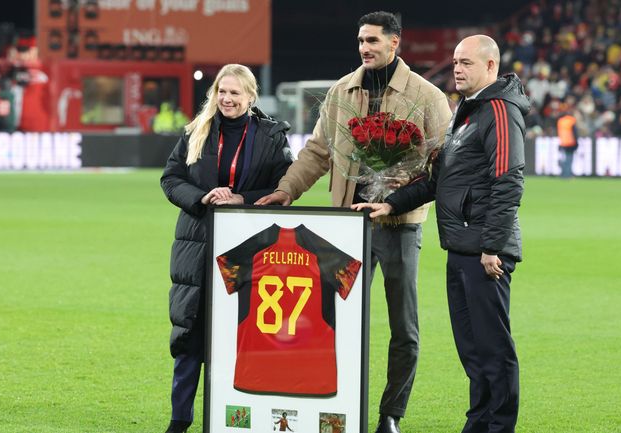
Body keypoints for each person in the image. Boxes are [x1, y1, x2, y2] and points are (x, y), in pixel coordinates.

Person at [255, 11, 452, 433]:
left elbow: (442, 165)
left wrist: (396, 197)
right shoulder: (341, 92)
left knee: (403, 326)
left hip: (401, 225)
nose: (365, 48)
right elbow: (316, 153)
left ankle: (391, 415)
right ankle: (340, 407)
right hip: (346, 227)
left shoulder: (428, 96)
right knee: (334, 322)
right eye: (361, 41)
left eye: (373, 41)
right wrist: (287, 190)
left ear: (395, 43)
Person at [353, 35, 530, 433]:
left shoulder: (500, 110)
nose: (457, 69)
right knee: (473, 349)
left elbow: (509, 180)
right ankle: (479, 422)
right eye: (454, 62)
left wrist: (492, 246)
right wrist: (392, 203)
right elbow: (439, 181)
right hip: (461, 247)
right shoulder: (467, 113)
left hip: (484, 253)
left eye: (466, 62)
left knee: (493, 349)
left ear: (490, 67)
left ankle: (498, 426)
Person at [160, 63, 293, 433]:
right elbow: (170, 178)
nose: (227, 99)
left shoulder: (272, 135)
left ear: (251, 97)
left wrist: (241, 199)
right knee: (190, 334)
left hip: (250, 246)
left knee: (246, 337)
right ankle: (179, 420)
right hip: (197, 244)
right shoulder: (196, 131)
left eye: (235, 93)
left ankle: (238, 420)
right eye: (222, 91)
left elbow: (286, 187)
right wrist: (203, 196)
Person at [556, 107, 578, 178]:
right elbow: (575, 132)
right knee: (569, 159)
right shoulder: (572, 120)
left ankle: (563, 173)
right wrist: (576, 142)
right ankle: (567, 174)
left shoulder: (560, 121)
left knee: (564, 159)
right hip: (571, 142)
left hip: (562, 142)